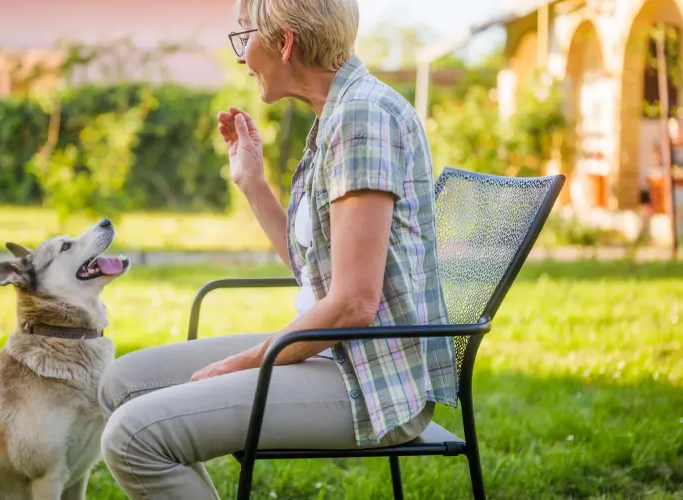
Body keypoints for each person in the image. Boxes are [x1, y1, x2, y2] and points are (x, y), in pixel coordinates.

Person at [96, 0, 455, 497]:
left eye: (246, 38)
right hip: (337, 355)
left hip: (373, 383)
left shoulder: (361, 119)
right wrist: (252, 183)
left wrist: (242, 364)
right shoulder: (336, 112)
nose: (243, 58)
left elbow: (354, 303)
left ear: (284, 43)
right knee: (120, 383)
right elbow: (319, 274)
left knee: (133, 437)